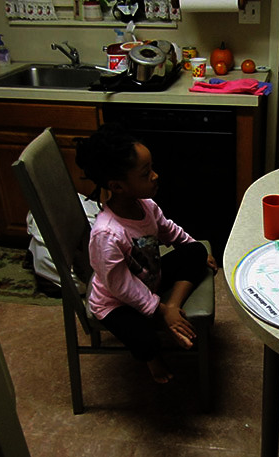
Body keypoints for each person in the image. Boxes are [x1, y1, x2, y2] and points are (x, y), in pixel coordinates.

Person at [75, 124, 218, 384]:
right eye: (145, 173)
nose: (155, 176)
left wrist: (189, 245)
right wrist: (158, 309)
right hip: (115, 301)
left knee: (197, 250)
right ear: (117, 187)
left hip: (150, 278)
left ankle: (174, 305)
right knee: (145, 340)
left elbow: (169, 230)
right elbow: (120, 286)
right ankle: (154, 360)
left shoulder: (147, 206)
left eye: (151, 168)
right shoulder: (106, 234)